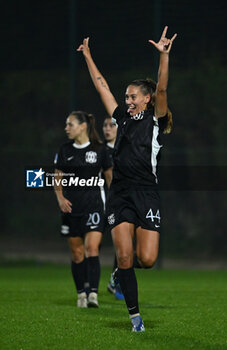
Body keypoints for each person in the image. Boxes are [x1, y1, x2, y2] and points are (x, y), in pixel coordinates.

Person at [77, 26, 177, 331]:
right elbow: (102, 87)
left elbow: (162, 89)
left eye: (133, 96)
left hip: (146, 193)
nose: (127, 100)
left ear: (146, 99)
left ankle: (121, 273)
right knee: (123, 255)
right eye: (126, 97)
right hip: (120, 193)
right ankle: (135, 318)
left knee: (145, 259)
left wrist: (163, 56)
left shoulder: (156, 121)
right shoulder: (121, 117)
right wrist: (89, 56)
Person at [54, 111, 112, 308]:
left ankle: (93, 294)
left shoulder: (100, 150)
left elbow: (110, 178)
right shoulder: (64, 150)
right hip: (71, 209)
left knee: (92, 249)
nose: (66, 128)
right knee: (77, 253)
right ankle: (81, 294)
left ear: (82, 126)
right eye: (66, 124)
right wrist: (61, 198)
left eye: (70, 124)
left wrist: (115, 202)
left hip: (94, 207)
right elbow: (57, 177)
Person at [102, 116, 124, 300]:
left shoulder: (125, 149)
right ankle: (87, 287)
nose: (107, 128)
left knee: (123, 245)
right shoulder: (99, 150)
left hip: (117, 204)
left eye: (112, 125)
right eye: (105, 125)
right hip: (98, 204)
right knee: (92, 245)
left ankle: (115, 283)